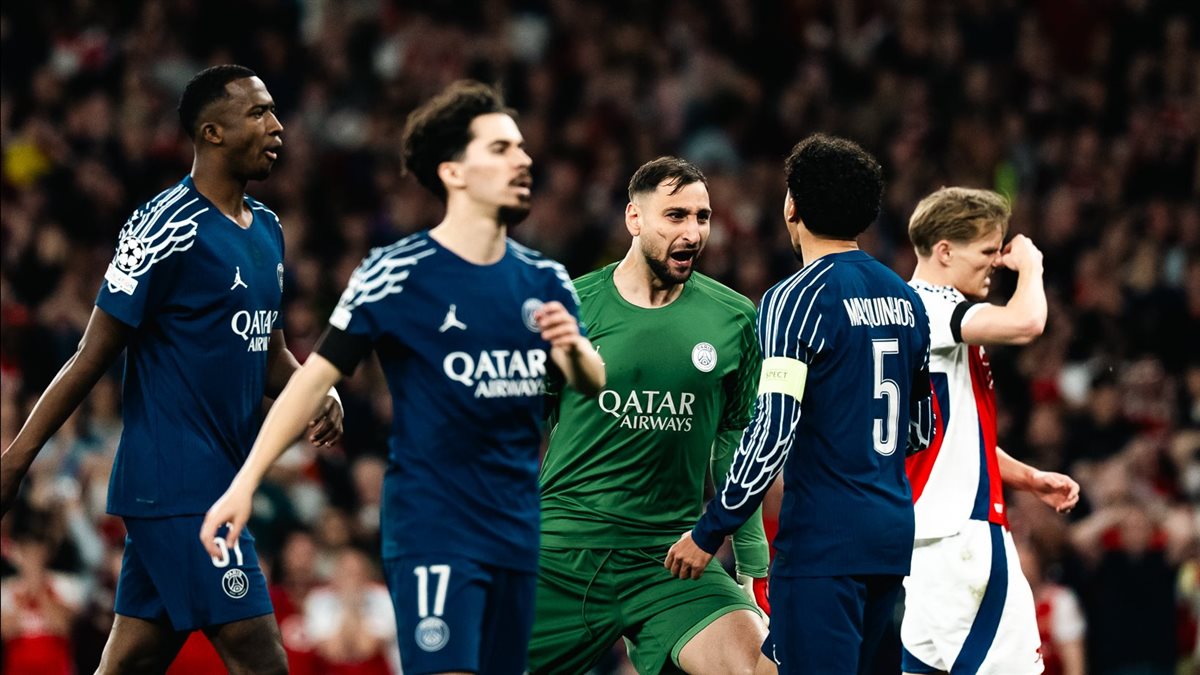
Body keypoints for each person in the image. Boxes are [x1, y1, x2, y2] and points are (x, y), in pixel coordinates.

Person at [201, 80, 605, 675]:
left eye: (521, 147)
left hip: (518, 529)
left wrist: (572, 350)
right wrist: (245, 483)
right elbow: (310, 382)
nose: (523, 160)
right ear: (453, 172)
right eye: (500, 148)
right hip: (434, 525)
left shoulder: (545, 278)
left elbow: (592, 379)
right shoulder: (395, 273)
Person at [0, 64, 344, 673]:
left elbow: (268, 356)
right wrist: (15, 461)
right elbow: (90, 355)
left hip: (213, 480)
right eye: (258, 113)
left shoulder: (268, 229)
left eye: (273, 111)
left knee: (130, 663)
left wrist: (315, 389)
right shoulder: (162, 226)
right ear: (212, 133)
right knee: (262, 658)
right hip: (178, 482)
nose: (277, 126)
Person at [665, 133, 935, 675]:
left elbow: (772, 431)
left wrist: (711, 529)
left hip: (824, 542)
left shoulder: (795, 298)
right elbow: (919, 430)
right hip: (889, 538)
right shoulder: (907, 299)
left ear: (792, 205)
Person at [529, 157, 769, 675]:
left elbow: (736, 445)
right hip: (563, 550)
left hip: (672, 557)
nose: (693, 232)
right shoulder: (571, 304)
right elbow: (519, 427)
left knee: (760, 666)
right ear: (634, 219)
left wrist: (751, 561)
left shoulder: (734, 318)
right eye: (675, 216)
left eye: (702, 217)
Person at [901, 186, 1080, 675]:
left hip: (926, 545)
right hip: (962, 539)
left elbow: (950, 439)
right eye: (986, 251)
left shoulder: (904, 314)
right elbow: (1027, 323)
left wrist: (1029, 478)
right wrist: (1032, 266)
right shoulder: (933, 307)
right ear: (944, 251)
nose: (996, 263)